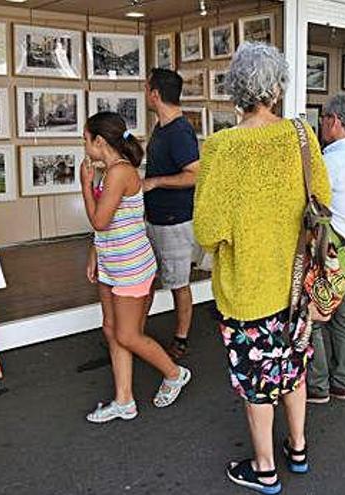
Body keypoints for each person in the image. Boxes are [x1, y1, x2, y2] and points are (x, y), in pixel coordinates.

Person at [194, 42, 331, 495]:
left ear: (236, 90)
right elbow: (323, 204)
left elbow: (208, 230)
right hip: (297, 288)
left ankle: (265, 469)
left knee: (258, 384)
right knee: (292, 370)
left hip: (248, 290)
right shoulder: (301, 136)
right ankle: (298, 448)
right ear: (277, 90)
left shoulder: (222, 148)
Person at [80, 112, 191, 423]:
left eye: (85, 139)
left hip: (131, 267)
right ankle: (124, 400)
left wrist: (85, 186)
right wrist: (94, 251)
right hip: (112, 262)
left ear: (99, 141)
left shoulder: (120, 173)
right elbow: (113, 222)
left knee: (127, 335)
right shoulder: (108, 172)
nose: (84, 146)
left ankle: (174, 372)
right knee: (111, 329)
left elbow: (100, 220)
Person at [306, 93, 345, 405]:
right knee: (343, 320)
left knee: (314, 317)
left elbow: (309, 205)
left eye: (323, 119)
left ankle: (317, 386)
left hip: (329, 255)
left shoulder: (330, 160)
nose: (321, 125)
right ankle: (342, 382)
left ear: (334, 121)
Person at [142, 68, 201, 359]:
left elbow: (194, 175)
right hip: (154, 218)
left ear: (155, 94)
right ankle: (136, 330)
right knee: (147, 278)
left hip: (175, 221)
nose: (145, 94)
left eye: (146, 88)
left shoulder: (179, 131)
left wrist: (156, 181)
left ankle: (181, 338)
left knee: (179, 283)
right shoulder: (161, 127)